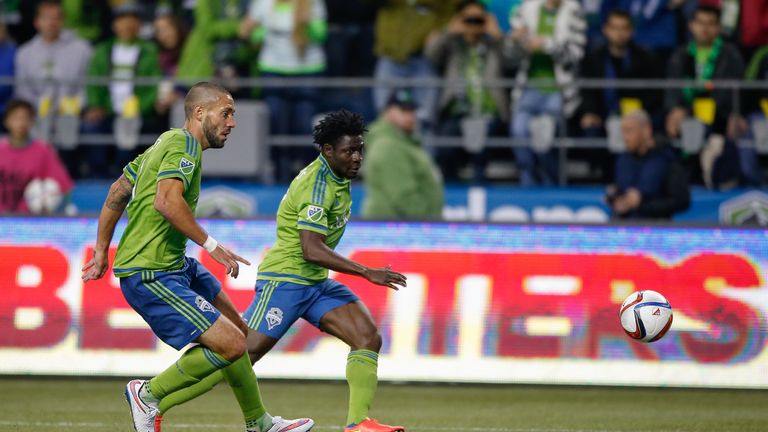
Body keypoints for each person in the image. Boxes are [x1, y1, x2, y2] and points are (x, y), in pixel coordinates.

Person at [146, 110, 409, 432]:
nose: (356, 158)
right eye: (348, 151)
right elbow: (311, 248)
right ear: (328, 151)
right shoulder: (317, 186)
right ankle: (155, 398)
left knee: (367, 337)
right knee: (238, 355)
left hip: (313, 282)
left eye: (359, 150)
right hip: (285, 281)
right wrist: (366, 272)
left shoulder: (337, 178)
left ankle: (358, 423)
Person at [81, 82, 313, 432]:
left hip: (176, 265)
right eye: (227, 112)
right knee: (232, 343)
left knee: (239, 334)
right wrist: (212, 245)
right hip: (152, 272)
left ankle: (260, 422)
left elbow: (118, 191)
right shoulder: (183, 145)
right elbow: (166, 201)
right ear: (200, 112)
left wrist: (101, 250)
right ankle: (148, 394)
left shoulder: (165, 142)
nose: (233, 122)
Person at [504, 0, 586, 185]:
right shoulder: (526, 8)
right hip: (528, 87)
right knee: (518, 132)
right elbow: (510, 58)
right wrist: (515, 42)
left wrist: (546, 44)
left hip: (558, 90)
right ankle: (528, 183)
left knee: (545, 140)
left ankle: (551, 185)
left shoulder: (575, 12)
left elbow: (575, 56)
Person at [425, 0, 507, 182]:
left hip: (487, 111)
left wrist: (498, 36)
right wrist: (448, 31)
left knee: (480, 144)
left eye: (478, 20)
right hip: (456, 110)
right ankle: (453, 192)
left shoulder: (494, 45)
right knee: (446, 146)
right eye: (468, 20)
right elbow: (431, 55)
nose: (473, 25)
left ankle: (479, 187)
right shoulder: (452, 43)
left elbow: (513, 60)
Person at [82, 3, 163, 179]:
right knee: (90, 128)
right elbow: (93, 81)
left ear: (139, 25)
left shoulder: (150, 51)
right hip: (108, 112)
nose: (127, 25)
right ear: (114, 25)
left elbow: (154, 86)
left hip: (137, 113)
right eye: (123, 20)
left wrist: (140, 108)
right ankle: (98, 178)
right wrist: (95, 105)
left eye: (133, 20)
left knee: (129, 132)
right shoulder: (102, 51)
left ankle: (124, 181)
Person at [362, 90, 443, 220]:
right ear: (387, 112)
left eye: (412, 111)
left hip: (400, 229)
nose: (411, 116)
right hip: (396, 231)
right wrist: (428, 225)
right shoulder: (387, 146)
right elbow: (404, 197)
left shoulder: (404, 142)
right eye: (404, 110)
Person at [14, 0, 92, 132]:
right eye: (46, 18)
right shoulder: (24, 53)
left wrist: (71, 106)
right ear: (36, 22)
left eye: (56, 18)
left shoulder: (83, 49)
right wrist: (39, 107)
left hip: (73, 114)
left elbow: (88, 86)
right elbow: (23, 91)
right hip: (36, 115)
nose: (52, 22)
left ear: (63, 21)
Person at [606, 110, 690, 220]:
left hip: (655, 231)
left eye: (629, 131)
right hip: (625, 230)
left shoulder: (666, 159)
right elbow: (622, 189)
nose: (625, 138)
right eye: (623, 132)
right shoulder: (622, 159)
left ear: (646, 131)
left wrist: (642, 204)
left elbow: (682, 201)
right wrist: (616, 199)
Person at [0, 98, 73, 214]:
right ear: (6, 121)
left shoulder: (43, 150)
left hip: (30, 220)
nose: (20, 123)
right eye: (16, 118)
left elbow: (63, 186)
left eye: (25, 118)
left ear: (32, 122)